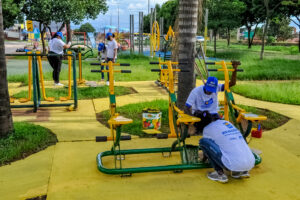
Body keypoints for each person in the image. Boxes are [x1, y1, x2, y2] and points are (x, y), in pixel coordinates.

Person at [198, 113, 255, 183]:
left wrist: (203, 159)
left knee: (203, 141)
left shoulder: (207, 128)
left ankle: (220, 174)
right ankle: (239, 172)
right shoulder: (227, 123)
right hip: (250, 162)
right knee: (231, 142)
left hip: (233, 163)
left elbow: (208, 147)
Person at [185, 64, 238, 133]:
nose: (210, 92)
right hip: (199, 113)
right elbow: (187, 106)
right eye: (208, 90)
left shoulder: (217, 87)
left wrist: (235, 69)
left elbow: (232, 83)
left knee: (220, 125)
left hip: (213, 113)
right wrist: (190, 119)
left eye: (211, 90)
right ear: (205, 85)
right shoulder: (196, 91)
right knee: (207, 116)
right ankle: (199, 130)